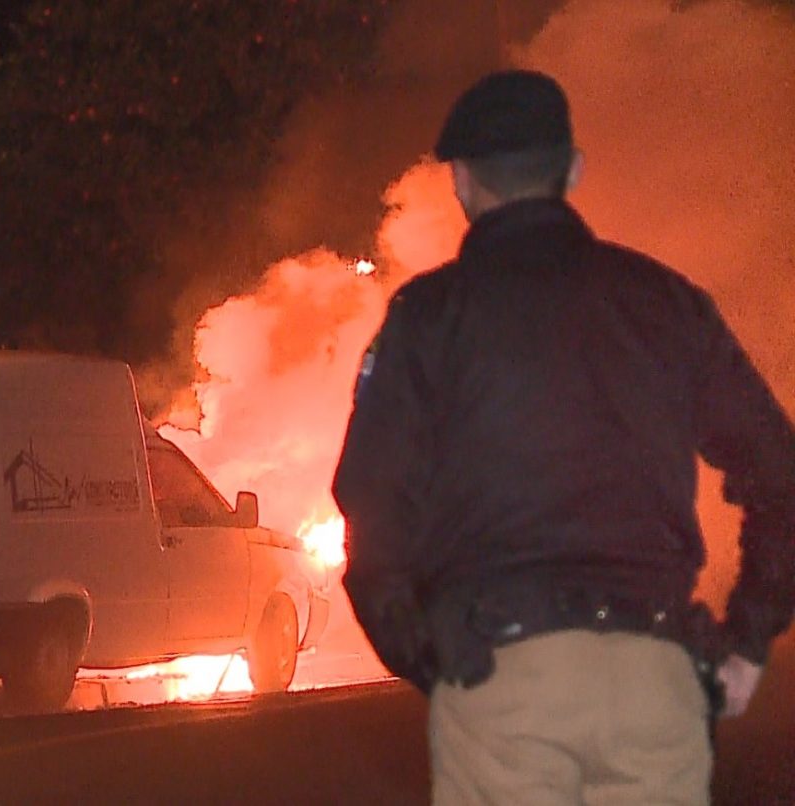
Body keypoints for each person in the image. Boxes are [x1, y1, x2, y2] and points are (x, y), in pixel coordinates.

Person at [332, 68, 795, 804]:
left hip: (501, 680)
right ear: (573, 171)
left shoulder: (427, 318)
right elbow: (781, 478)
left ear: (460, 184)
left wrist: (434, 655)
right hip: (657, 678)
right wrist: (746, 639)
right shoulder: (666, 304)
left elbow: (370, 508)